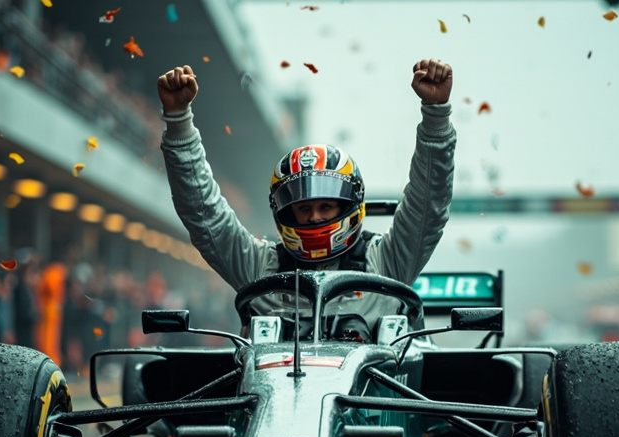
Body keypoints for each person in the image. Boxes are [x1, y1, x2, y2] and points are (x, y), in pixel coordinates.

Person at [156, 59, 455, 335]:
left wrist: (436, 116)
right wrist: (178, 120)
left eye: (325, 206)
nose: (314, 217)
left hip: (372, 393)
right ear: (284, 213)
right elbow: (205, 216)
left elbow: (426, 206)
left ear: (350, 207)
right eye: (304, 209)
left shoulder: (386, 261)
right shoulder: (260, 268)